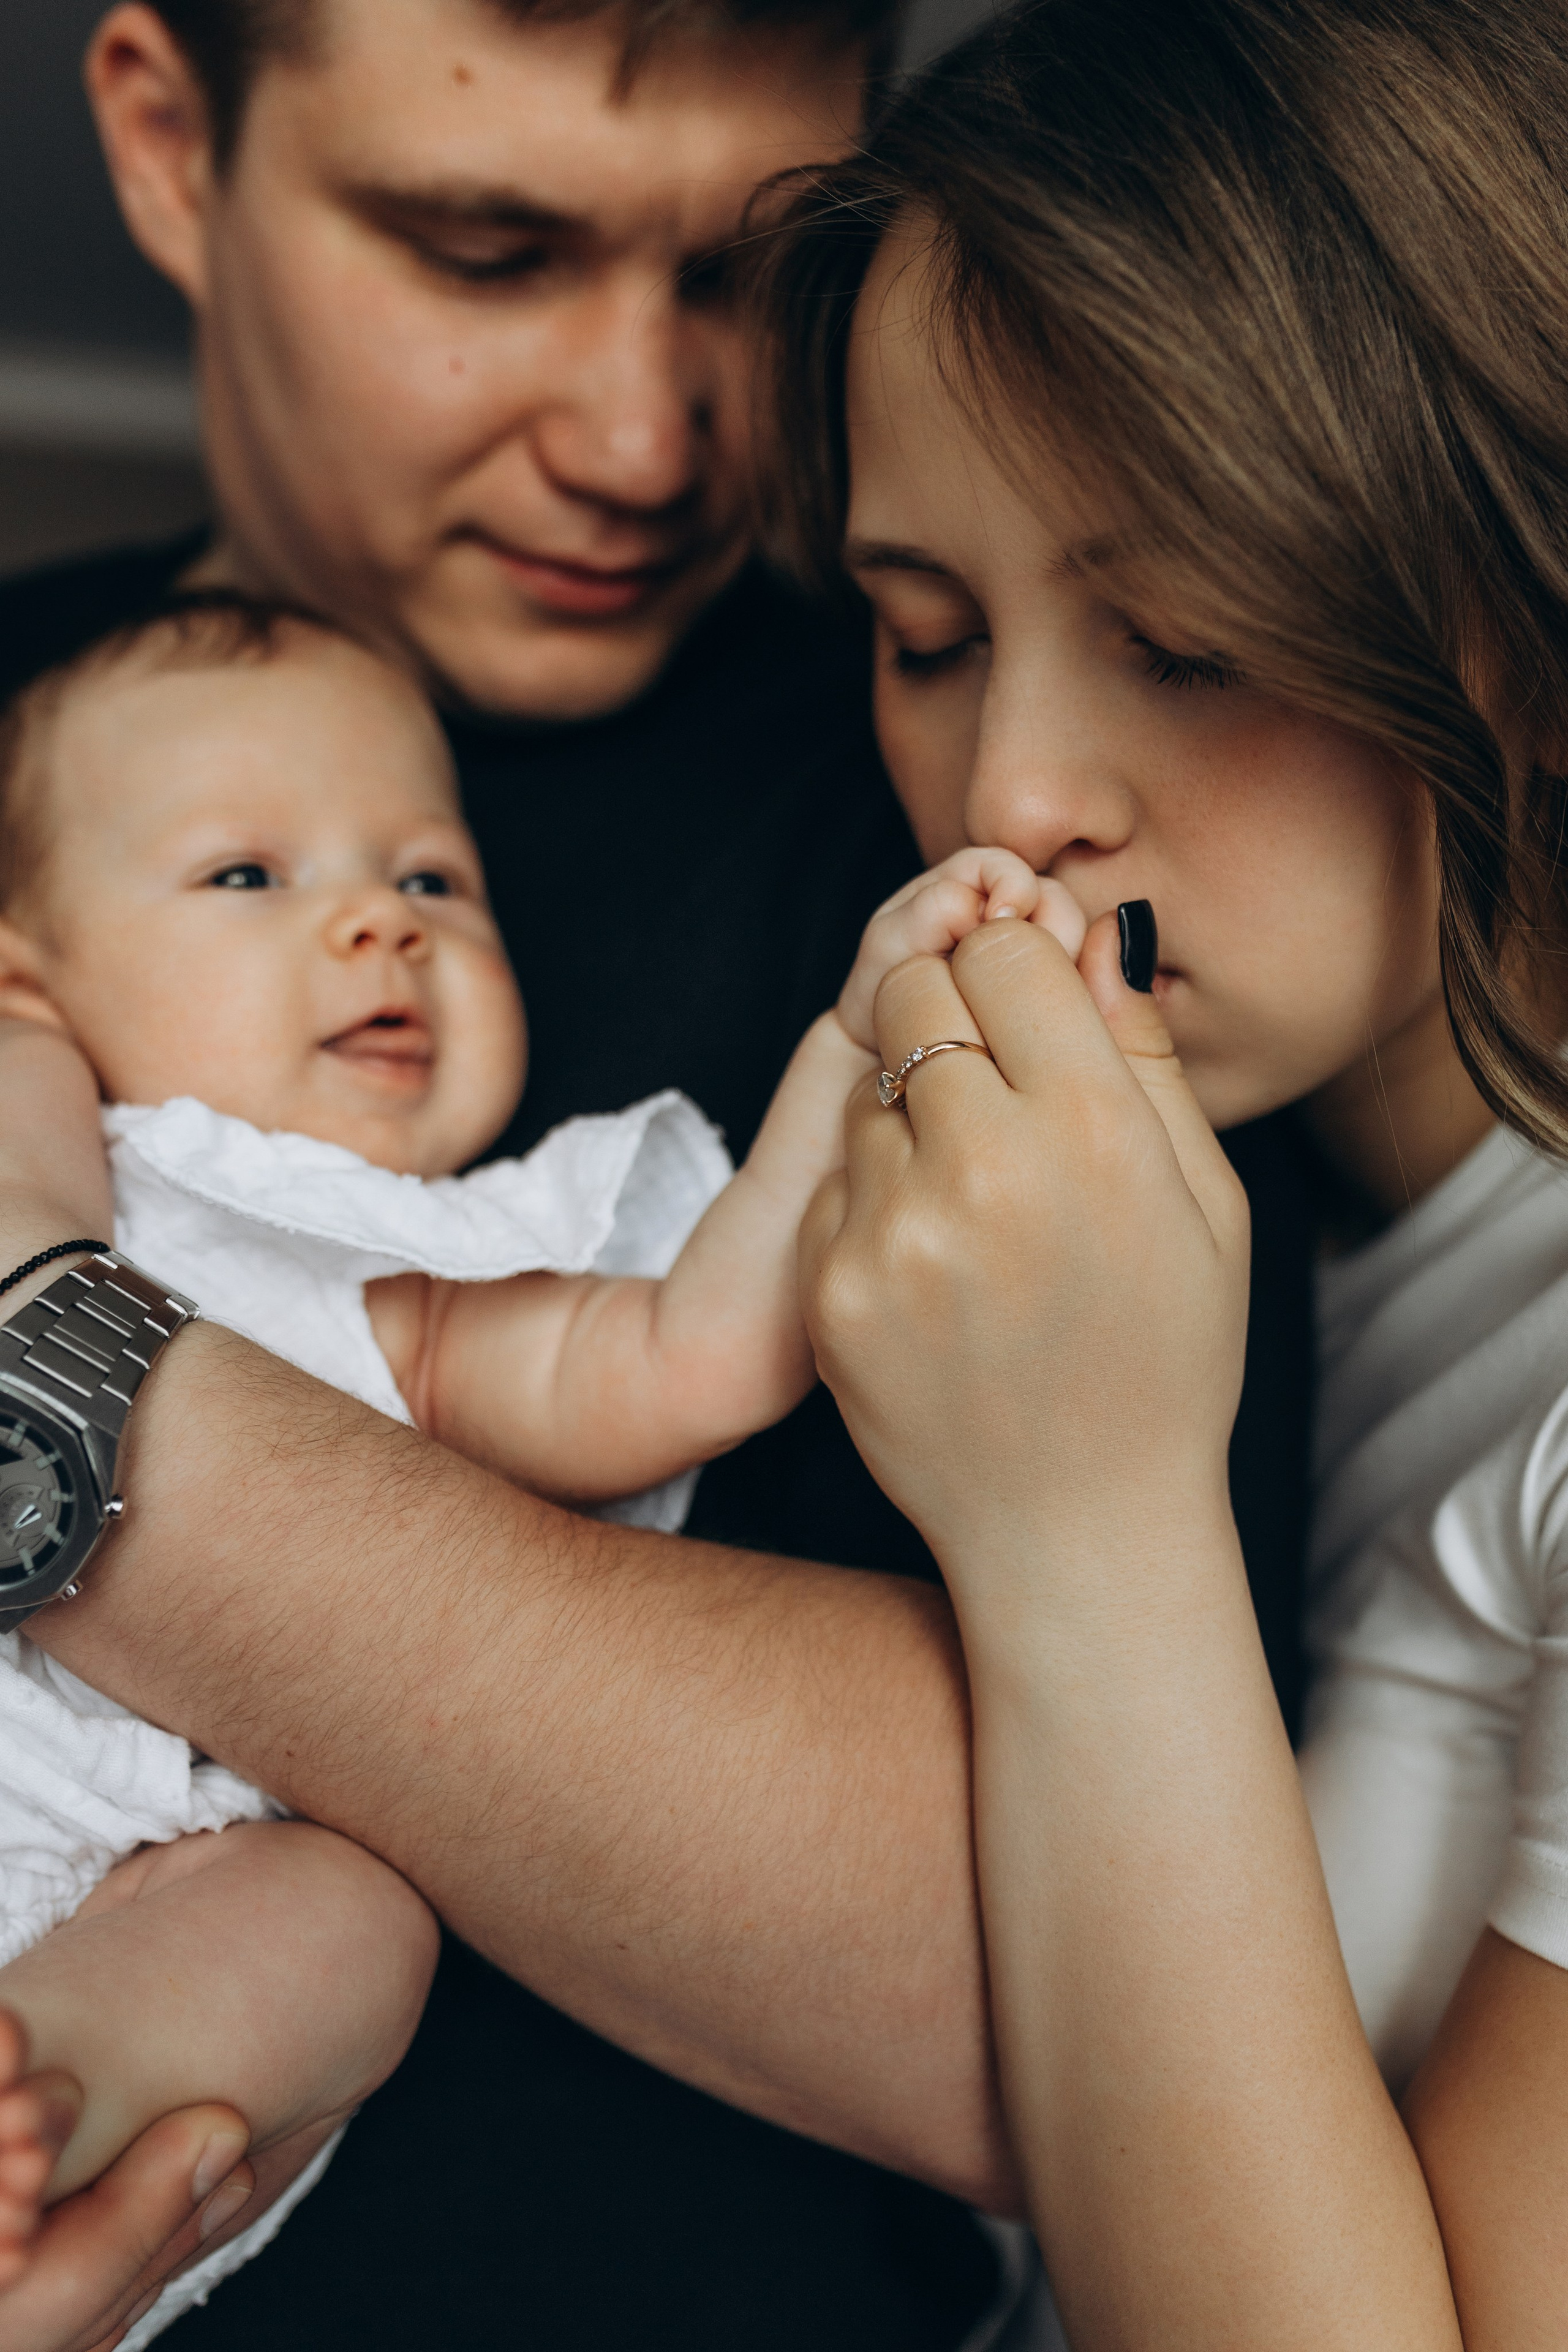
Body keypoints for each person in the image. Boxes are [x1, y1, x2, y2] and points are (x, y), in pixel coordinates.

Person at [0, 0, 1313, 2345]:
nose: (647, 441)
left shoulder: (999, 809)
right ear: (171, 145)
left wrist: (43, 1345)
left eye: (735, 276)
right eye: (486, 250)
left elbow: (1055, 1985)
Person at [0, 590, 1087, 2340]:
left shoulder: (431, 1276)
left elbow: (689, 1357)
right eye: (247, 875)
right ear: (25, 977)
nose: (380, 922)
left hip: (124, 1889)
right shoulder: (89, 1150)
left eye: (433, 878)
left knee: (348, 1927)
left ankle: (50, 2095)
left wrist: (857, 1045)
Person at [765, 0, 1568, 2342]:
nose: (1012, 791)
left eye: (1185, 642)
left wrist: (1084, 1528)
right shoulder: (1232, 1213)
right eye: (927, 636)